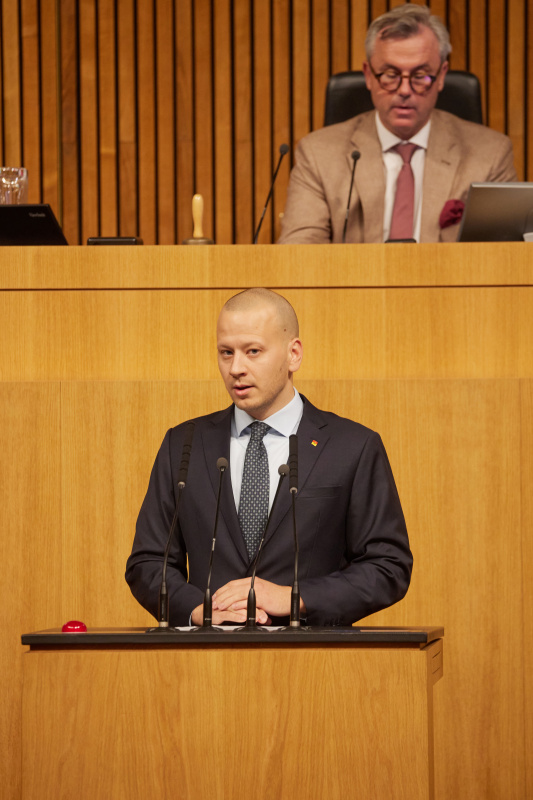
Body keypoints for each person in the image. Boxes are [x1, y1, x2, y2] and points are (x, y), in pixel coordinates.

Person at [126, 288, 412, 626]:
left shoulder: (353, 446)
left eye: (253, 351)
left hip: (314, 654)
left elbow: (388, 566)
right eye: (226, 352)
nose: (236, 368)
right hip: (207, 653)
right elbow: (148, 562)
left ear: (293, 355)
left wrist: (295, 598)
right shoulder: (183, 444)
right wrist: (197, 610)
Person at [278, 4, 517, 244]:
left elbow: (506, 255)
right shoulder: (318, 155)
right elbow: (299, 252)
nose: (404, 90)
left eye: (420, 76)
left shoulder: (490, 155)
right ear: (368, 75)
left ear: (441, 75)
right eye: (391, 75)